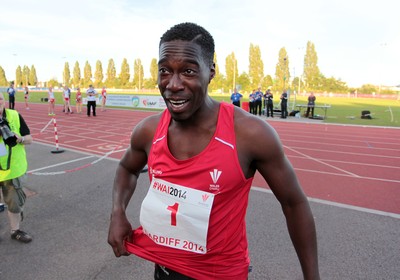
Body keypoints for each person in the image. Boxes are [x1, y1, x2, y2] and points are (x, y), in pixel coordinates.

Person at [108, 22, 320, 280]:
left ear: (210, 72)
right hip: (164, 269)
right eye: (165, 70)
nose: (173, 84)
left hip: (222, 275)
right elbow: (126, 168)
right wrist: (118, 212)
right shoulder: (148, 131)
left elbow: (293, 203)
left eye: (188, 71)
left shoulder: (250, 134)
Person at [0, 92, 33, 243]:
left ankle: (15, 231)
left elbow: (29, 139)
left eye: (0, 98)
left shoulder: (14, 116)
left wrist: (19, 138)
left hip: (13, 170)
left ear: (4, 101)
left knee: (14, 203)